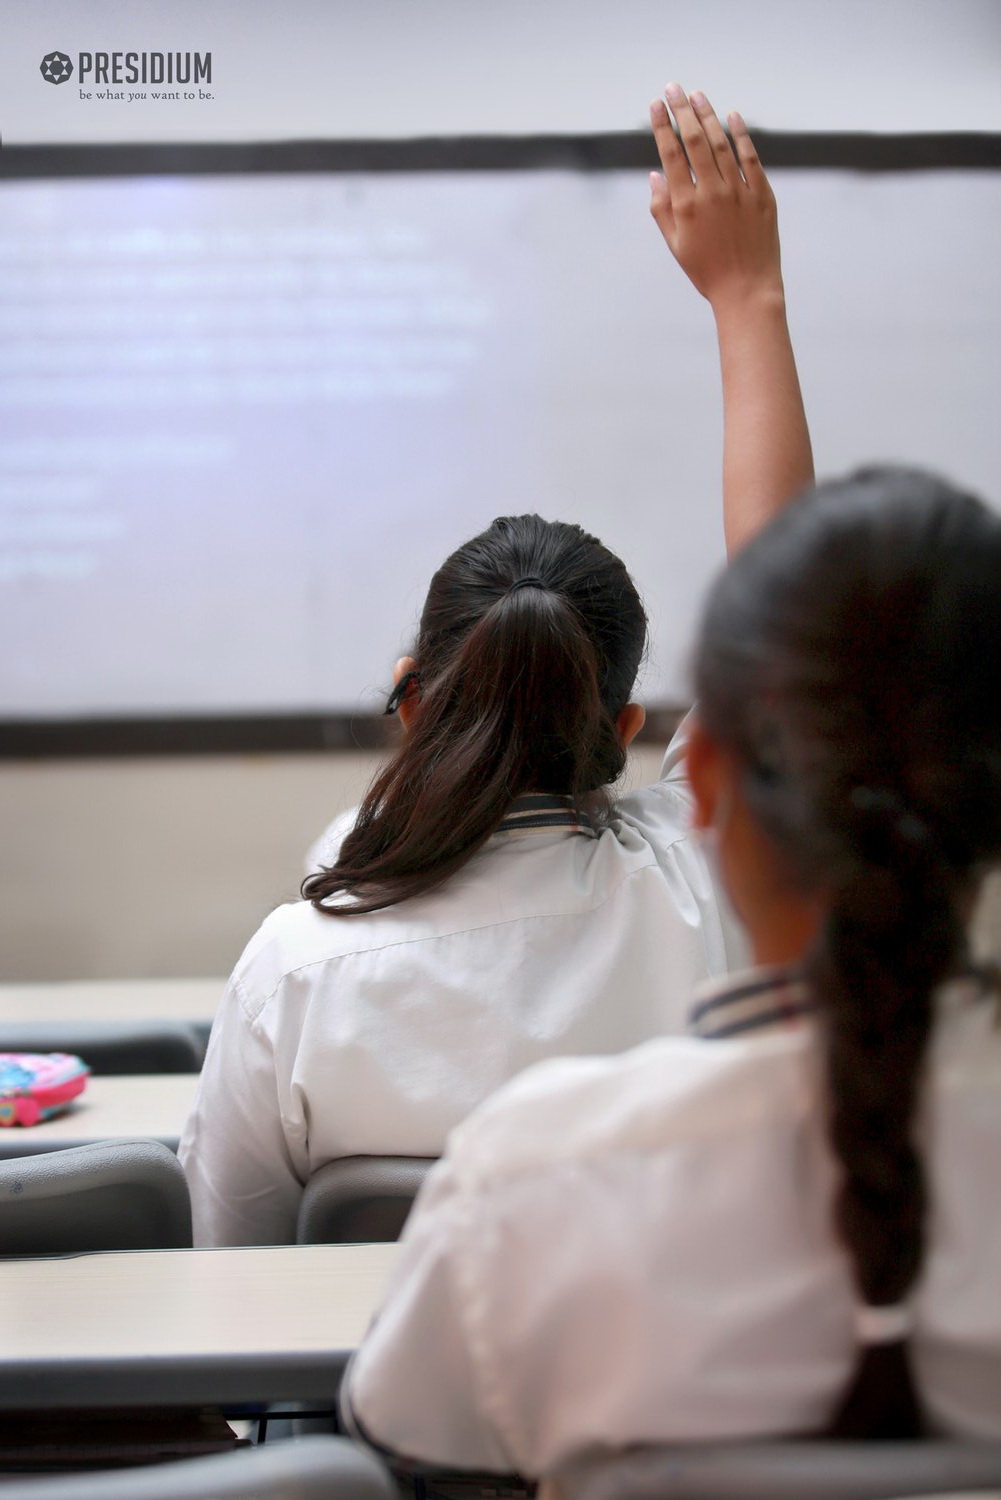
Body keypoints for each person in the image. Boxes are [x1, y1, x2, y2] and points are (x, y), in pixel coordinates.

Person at [178, 84, 813, 1247]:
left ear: (415, 698)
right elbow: (792, 633)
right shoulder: (704, 889)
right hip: (664, 1420)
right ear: (619, 728)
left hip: (374, 1426)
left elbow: (228, 1278)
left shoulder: (300, 967)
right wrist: (746, 296)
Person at [341, 465, 1001, 1476]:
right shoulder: (673, 893)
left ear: (708, 785)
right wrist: (750, 308)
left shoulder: (529, 1179)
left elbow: (402, 1436)